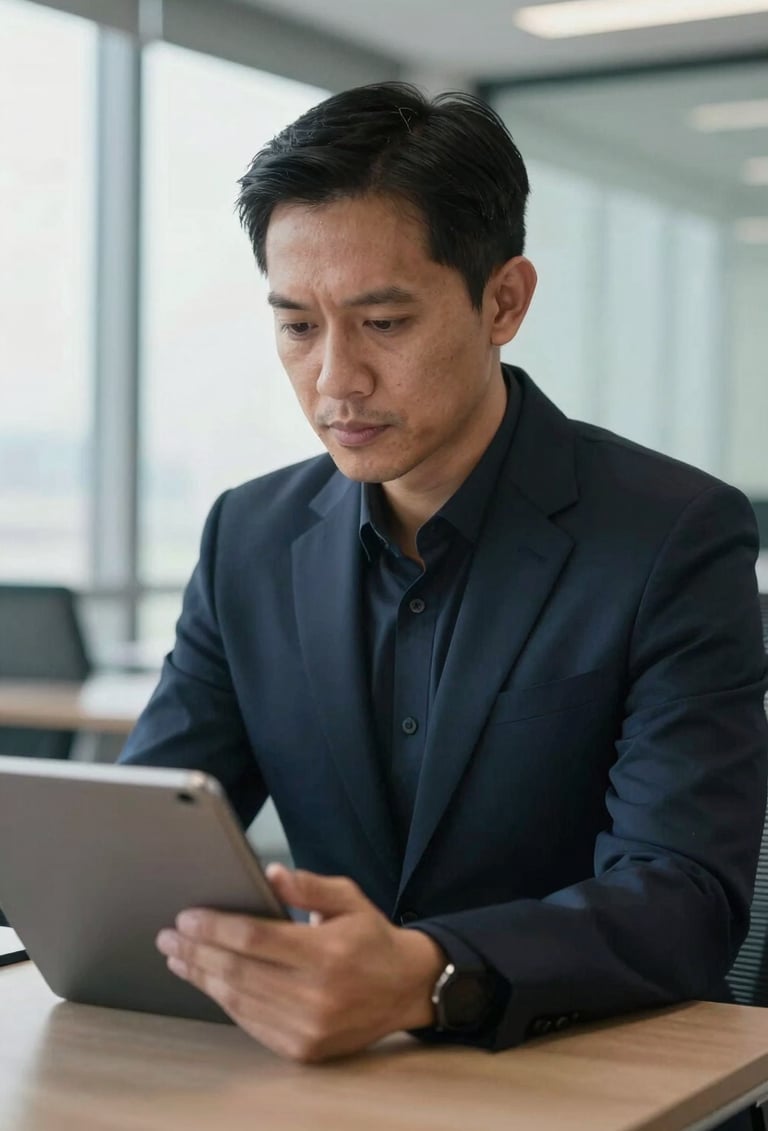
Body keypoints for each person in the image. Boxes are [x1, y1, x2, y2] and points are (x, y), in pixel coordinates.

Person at [121, 83, 768, 1071]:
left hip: (592, 1075)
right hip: (335, 1076)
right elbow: (139, 838)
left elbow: (686, 902)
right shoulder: (248, 537)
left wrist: (428, 974)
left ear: (503, 301)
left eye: (383, 323)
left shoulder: (674, 535)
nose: (335, 380)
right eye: (298, 327)